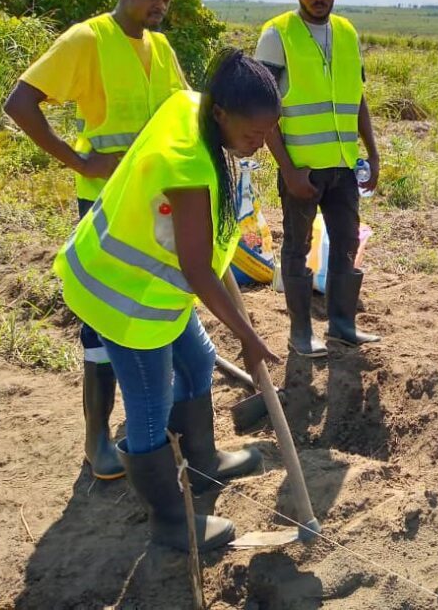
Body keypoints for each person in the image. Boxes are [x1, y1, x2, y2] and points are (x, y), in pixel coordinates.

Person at [51, 49, 283, 552]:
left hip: (155, 292)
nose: (260, 147)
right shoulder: (188, 166)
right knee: (150, 409)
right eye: (252, 135)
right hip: (124, 300)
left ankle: (201, 463)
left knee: (198, 361)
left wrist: (245, 330)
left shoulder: (193, 107)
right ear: (221, 113)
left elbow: (213, 255)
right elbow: (199, 271)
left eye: (268, 135)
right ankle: (171, 520)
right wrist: (249, 336)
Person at [4, 0, 189, 480]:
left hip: (157, 208)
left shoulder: (160, 48)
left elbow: (177, 115)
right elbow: (20, 103)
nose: (160, 4)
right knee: (104, 322)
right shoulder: (88, 39)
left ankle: (147, 430)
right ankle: (96, 440)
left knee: (150, 317)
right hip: (106, 207)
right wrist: (80, 161)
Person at [255, 0, 381, 358]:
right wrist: (288, 170)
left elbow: (357, 98)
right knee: (295, 249)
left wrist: (373, 154)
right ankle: (300, 332)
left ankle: (343, 326)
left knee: (346, 245)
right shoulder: (277, 35)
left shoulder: (346, 32)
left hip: (343, 167)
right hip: (302, 169)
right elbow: (264, 110)